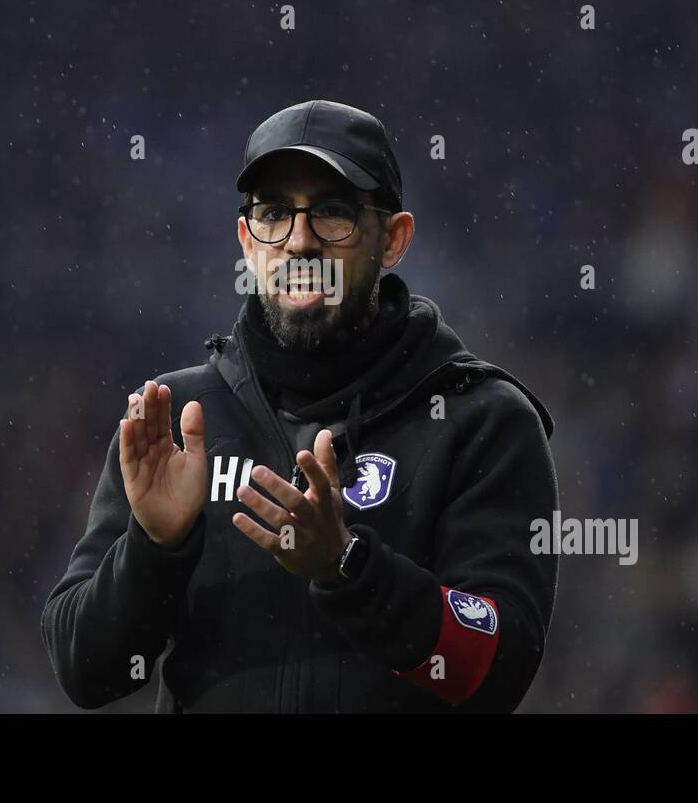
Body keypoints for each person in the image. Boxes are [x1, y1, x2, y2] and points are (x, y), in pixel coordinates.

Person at [41, 99, 559, 712]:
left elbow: (496, 669)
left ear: (393, 239)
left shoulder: (481, 423)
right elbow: (85, 670)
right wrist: (153, 548)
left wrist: (346, 565)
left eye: (333, 214)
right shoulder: (178, 421)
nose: (300, 242)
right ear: (245, 240)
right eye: (274, 214)